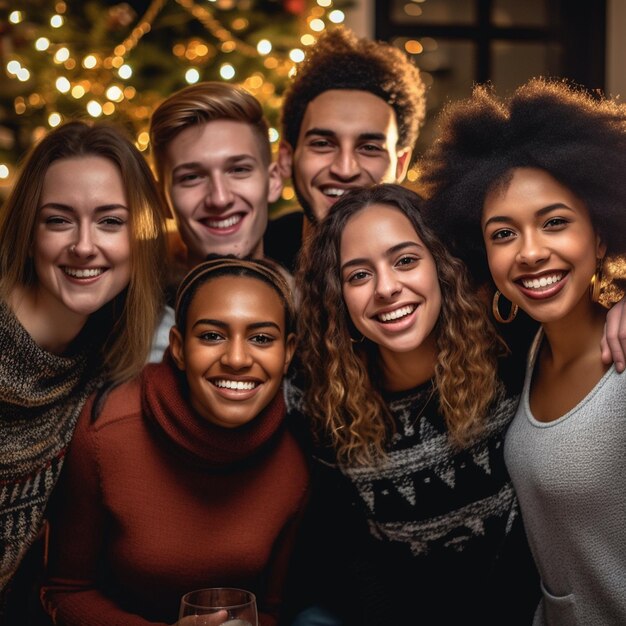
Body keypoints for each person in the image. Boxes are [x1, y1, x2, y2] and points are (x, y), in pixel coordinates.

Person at [418, 78, 626, 625]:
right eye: (503, 234)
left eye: (555, 223)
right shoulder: (523, 351)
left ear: (599, 236)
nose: (530, 253)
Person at [285, 183, 539, 625]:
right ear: (338, 297)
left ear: (440, 266)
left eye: (405, 260)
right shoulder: (327, 406)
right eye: (359, 275)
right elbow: (355, 561)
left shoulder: (514, 351)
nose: (386, 288)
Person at [41, 257, 309, 626]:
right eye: (211, 335)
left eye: (261, 338)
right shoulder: (108, 431)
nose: (236, 358)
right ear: (179, 348)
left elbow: (272, 609)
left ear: (288, 352)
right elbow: (64, 591)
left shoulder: (296, 460)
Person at [0, 120, 167, 616]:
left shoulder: (105, 350)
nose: (84, 245)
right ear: (29, 234)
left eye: (111, 222)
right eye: (58, 220)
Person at [265, 26, 426, 271]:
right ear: (287, 158)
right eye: (322, 144)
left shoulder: (439, 265)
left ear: (401, 164)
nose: (345, 168)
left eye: (370, 148)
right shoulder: (256, 257)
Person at [147, 81, 284, 359]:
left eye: (238, 170)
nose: (219, 199)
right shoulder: (136, 339)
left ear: (272, 181)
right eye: (192, 177)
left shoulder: (323, 322)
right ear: (163, 201)